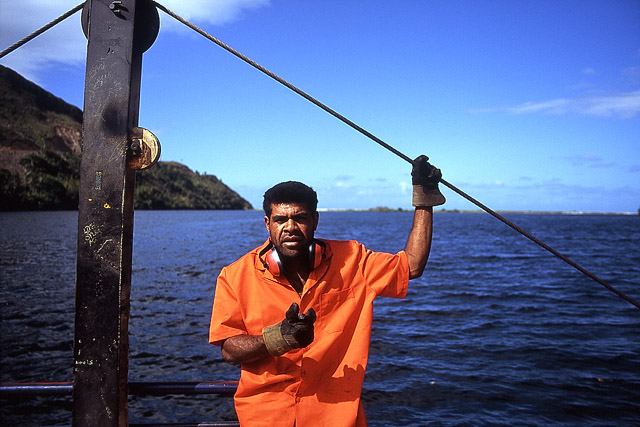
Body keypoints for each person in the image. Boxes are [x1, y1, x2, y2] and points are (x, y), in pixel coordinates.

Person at [209, 155, 445, 426]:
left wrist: (424, 198)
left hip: (337, 418)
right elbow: (229, 348)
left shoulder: (353, 260)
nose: (290, 227)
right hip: (265, 418)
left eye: (300, 218)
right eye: (280, 219)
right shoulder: (234, 275)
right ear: (267, 224)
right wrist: (278, 338)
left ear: (315, 220)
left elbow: (412, 266)